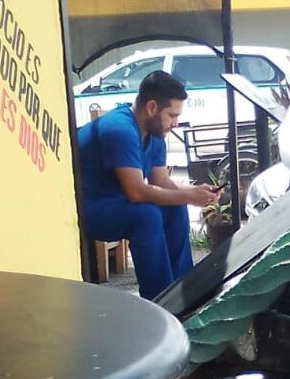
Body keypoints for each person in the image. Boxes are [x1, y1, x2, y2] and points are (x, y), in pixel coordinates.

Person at [77, 70, 220, 297]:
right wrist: (190, 197)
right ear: (152, 107)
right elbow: (136, 192)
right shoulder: (119, 129)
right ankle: (161, 301)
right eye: (172, 115)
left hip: (118, 203)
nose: (175, 123)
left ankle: (184, 293)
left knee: (174, 207)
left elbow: (161, 181)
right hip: (88, 208)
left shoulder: (155, 134)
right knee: (146, 215)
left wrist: (196, 192)